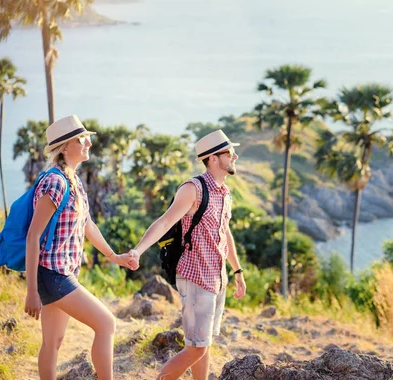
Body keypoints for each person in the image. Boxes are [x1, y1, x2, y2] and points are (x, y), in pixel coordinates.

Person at [24, 115, 138, 380]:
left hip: (62, 272)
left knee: (54, 342)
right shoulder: (55, 182)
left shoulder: (73, 180)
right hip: (53, 275)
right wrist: (31, 291)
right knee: (106, 323)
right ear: (65, 147)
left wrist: (114, 257)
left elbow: (88, 226)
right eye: (81, 138)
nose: (88, 142)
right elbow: (33, 236)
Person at [130, 129, 247, 380]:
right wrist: (138, 250)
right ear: (213, 158)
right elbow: (164, 222)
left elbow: (224, 233)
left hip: (217, 279)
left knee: (203, 346)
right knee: (196, 347)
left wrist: (237, 271)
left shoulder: (224, 193)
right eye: (230, 152)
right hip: (195, 278)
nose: (235, 156)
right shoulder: (193, 189)